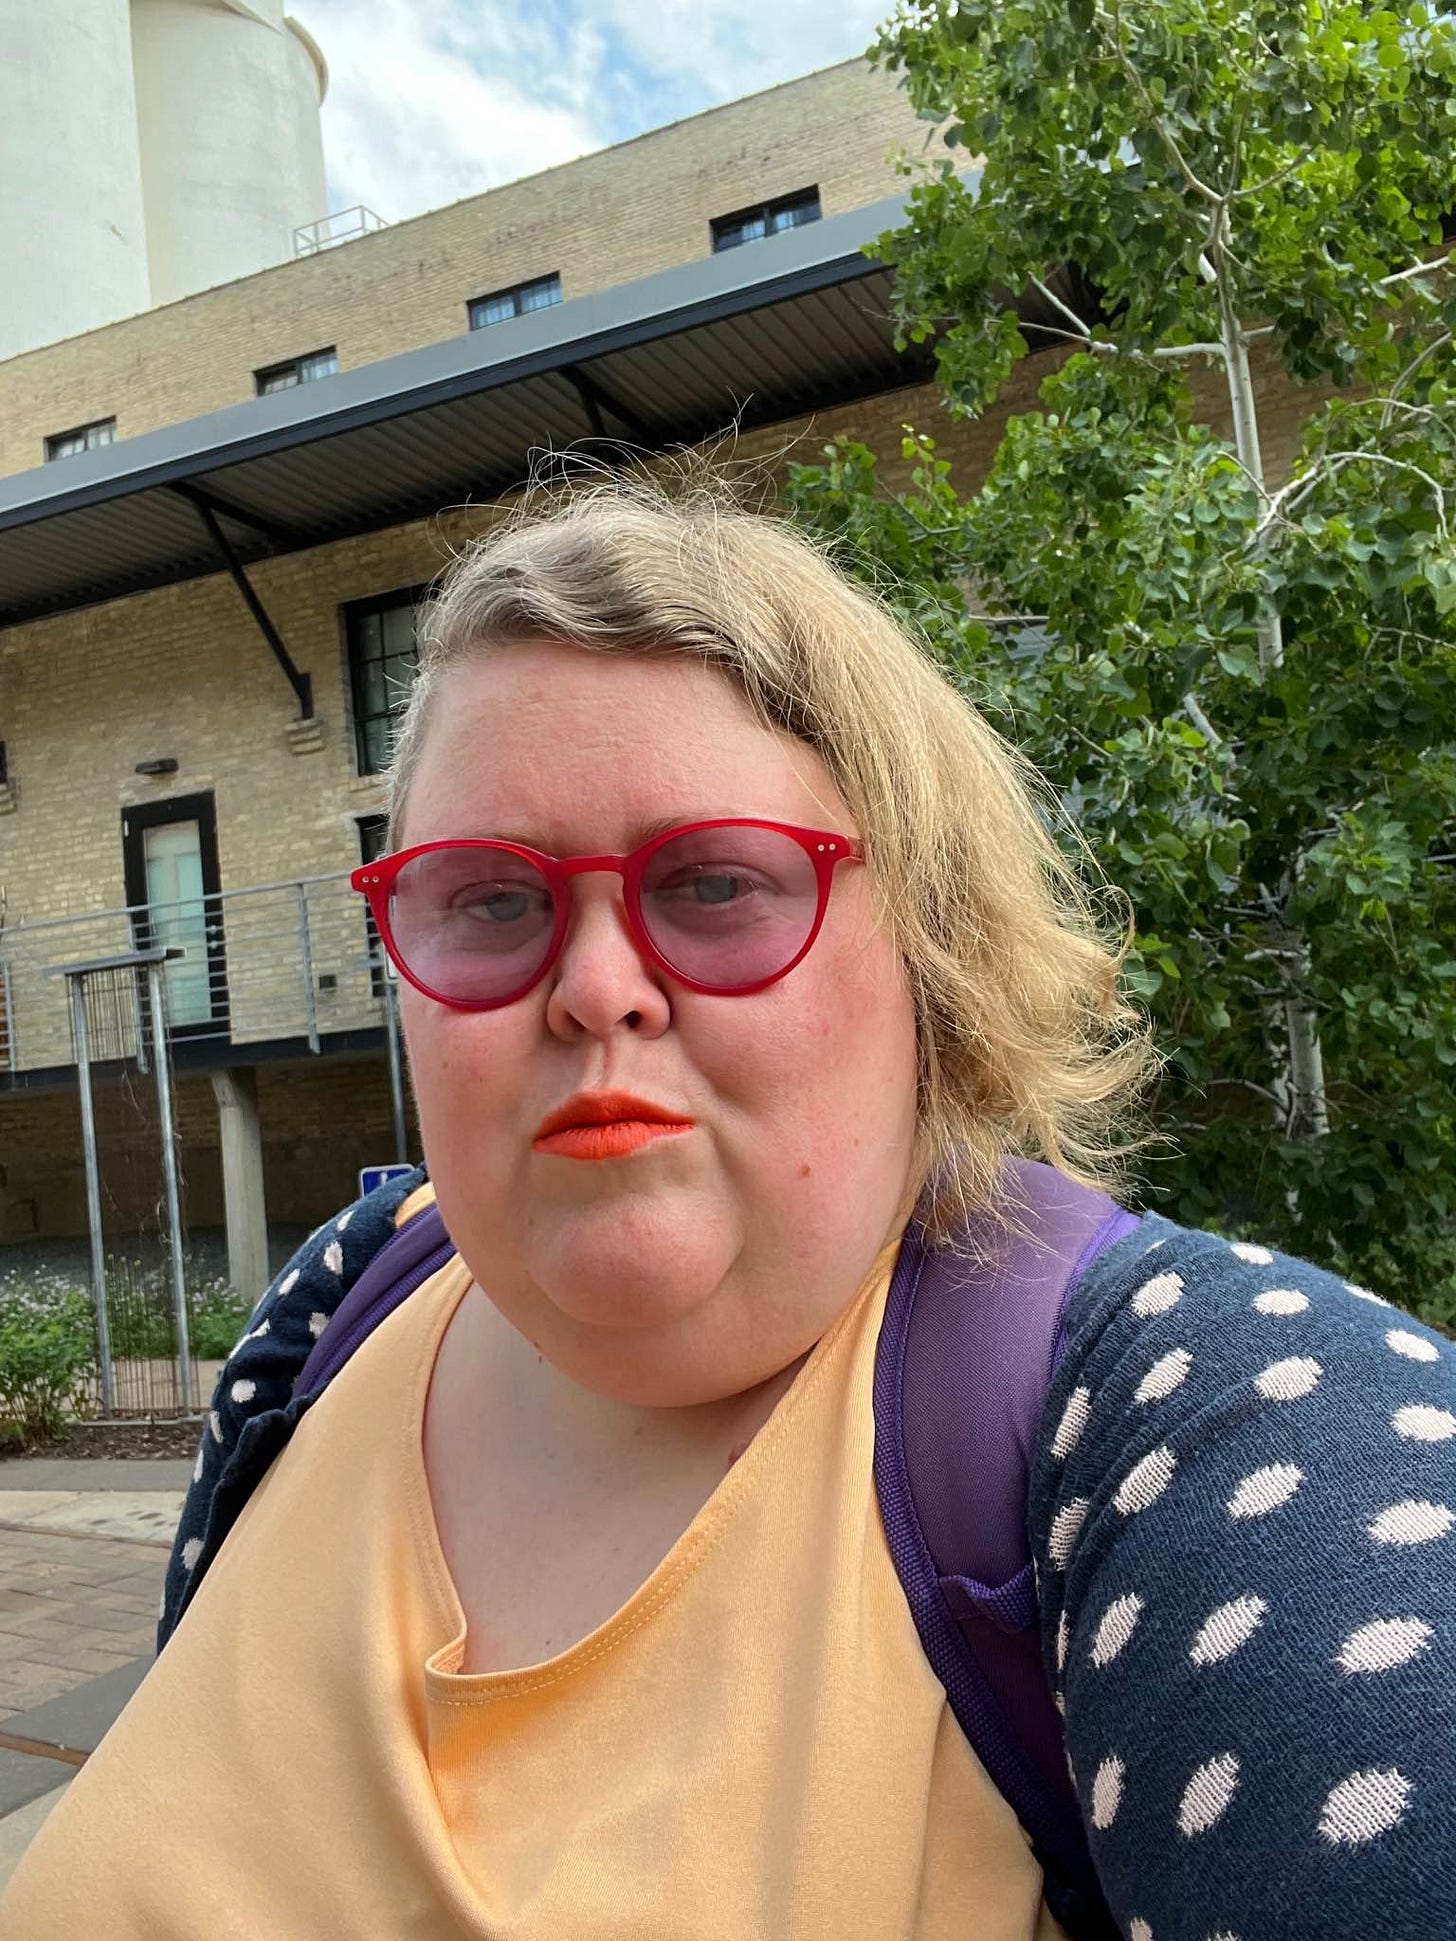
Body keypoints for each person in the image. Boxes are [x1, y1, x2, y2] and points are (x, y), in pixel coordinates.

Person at [4, 479, 1452, 1941]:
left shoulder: (1205, 1420)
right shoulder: (344, 1296)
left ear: (930, 948)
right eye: (491, 900)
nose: (593, 986)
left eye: (713, 883)